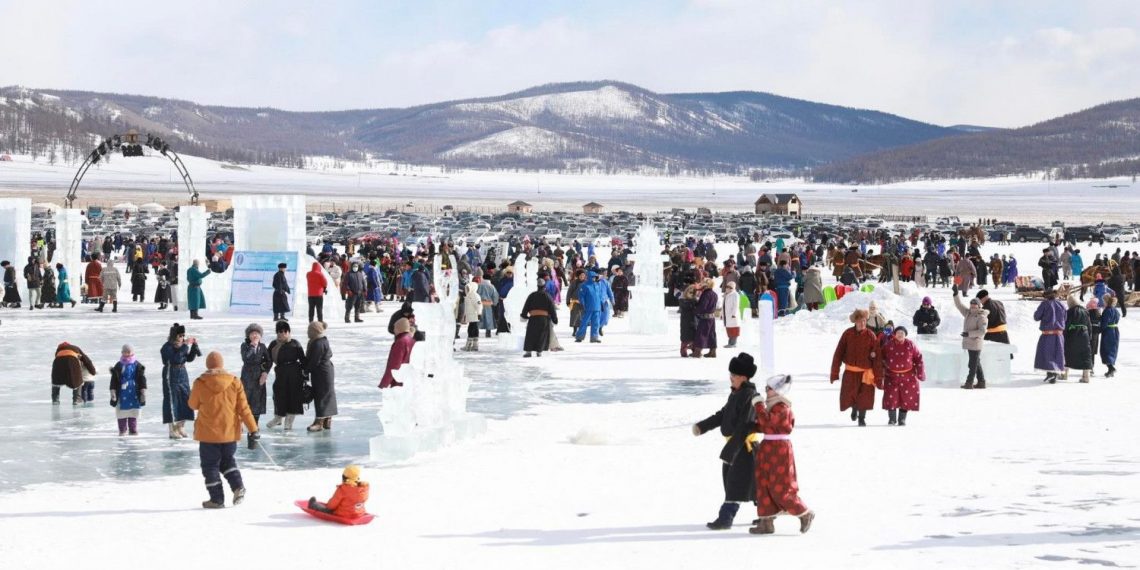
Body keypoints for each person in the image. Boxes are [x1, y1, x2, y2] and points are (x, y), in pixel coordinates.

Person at [692, 353, 758, 530]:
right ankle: (767, 514)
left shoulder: (751, 396)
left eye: (734, 376)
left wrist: (732, 450)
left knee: (736, 484)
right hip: (734, 446)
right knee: (751, 486)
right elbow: (723, 415)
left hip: (744, 448)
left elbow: (745, 426)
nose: (731, 378)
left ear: (744, 377)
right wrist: (702, 426)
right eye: (731, 375)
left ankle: (726, 518)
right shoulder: (736, 394)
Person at [188, 351, 259, 509]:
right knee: (227, 462)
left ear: (208, 365)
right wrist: (253, 429)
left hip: (208, 435)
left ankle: (217, 499)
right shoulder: (234, 381)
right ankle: (238, 486)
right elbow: (244, 409)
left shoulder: (200, 382)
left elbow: (192, 405)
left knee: (210, 466)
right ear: (222, 364)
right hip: (229, 433)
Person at [749, 373, 814, 535]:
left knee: (780, 487)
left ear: (777, 391)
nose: (766, 392)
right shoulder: (771, 405)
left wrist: (758, 406)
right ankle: (766, 522)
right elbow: (763, 426)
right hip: (768, 447)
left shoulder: (782, 407)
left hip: (779, 449)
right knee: (763, 483)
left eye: (768, 389)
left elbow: (768, 423)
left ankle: (804, 513)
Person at [829, 309, 880, 426]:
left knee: (865, 396)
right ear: (855, 322)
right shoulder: (847, 334)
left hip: (866, 372)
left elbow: (877, 357)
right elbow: (838, 353)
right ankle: (854, 409)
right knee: (850, 394)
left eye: (864, 321)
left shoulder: (871, 335)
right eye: (859, 321)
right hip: (850, 372)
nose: (862, 323)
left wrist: (878, 377)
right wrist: (834, 372)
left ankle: (862, 418)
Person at [161, 323, 201, 439]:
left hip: (182, 375)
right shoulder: (167, 347)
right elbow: (176, 359)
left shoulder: (181, 345)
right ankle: (172, 429)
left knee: (185, 399)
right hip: (171, 375)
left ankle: (180, 426)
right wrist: (185, 345)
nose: (182, 338)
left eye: (183, 336)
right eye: (180, 336)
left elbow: (187, 359)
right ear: (174, 336)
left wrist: (193, 348)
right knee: (172, 401)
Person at [266, 320, 306, 430]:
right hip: (281, 372)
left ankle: (289, 421)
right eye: (279, 332)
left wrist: (306, 374)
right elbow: (268, 360)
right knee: (279, 396)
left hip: (294, 373)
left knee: (293, 397)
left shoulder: (295, 343)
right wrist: (264, 372)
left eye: (284, 331)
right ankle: (278, 417)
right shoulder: (274, 344)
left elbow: (303, 359)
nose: (282, 334)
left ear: (288, 332)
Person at [880, 326, 924, 425]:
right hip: (892, 376)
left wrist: (920, 372)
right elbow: (880, 357)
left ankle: (902, 419)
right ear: (894, 334)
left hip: (908, 376)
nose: (900, 335)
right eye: (898, 333)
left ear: (905, 335)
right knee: (891, 397)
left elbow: (918, 358)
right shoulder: (888, 345)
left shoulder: (910, 344)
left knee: (906, 397)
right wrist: (881, 371)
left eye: (902, 333)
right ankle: (892, 419)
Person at [304, 321, 337, 432]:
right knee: (327, 393)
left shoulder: (318, 343)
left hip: (321, 372)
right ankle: (327, 420)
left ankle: (319, 422)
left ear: (315, 331)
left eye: (309, 330)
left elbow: (314, 361)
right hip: (324, 371)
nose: (307, 332)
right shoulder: (321, 340)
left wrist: (305, 371)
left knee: (321, 395)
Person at [109, 344, 147, 436]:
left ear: (132, 352)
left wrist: (143, 391)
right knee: (121, 412)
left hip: (134, 391)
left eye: (128, 352)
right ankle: (122, 429)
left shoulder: (137, 365)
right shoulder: (119, 365)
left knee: (133, 412)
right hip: (122, 392)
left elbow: (142, 378)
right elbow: (114, 380)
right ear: (122, 352)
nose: (126, 354)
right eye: (124, 352)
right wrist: (113, 391)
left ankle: (133, 429)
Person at [1034, 287, 1067, 384]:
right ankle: (1054, 374)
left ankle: (1051, 374)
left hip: (1047, 334)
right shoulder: (1061, 304)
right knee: (1057, 353)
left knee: (1047, 353)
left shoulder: (1044, 304)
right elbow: (1065, 318)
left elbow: (1036, 317)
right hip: (1059, 334)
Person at [239, 323, 271, 426]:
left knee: (257, 400)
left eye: (257, 333)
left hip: (258, 376)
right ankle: (241, 422)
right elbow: (245, 358)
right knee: (245, 398)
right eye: (252, 333)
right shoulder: (245, 346)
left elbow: (268, 361)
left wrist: (265, 372)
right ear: (248, 335)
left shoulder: (262, 346)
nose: (255, 335)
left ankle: (255, 424)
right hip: (247, 375)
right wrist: (252, 347)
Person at [520, 278, 559, 358]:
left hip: (533, 318)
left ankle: (528, 351)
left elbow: (526, 306)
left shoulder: (532, 295)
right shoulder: (547, 296)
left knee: (530, 335)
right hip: (543, 319)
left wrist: (524, 315)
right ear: (544, 286)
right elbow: (552, 309)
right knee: (541, 335)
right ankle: (539, 351)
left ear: (537, 286)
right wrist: (555, 319)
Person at [957, 296, 989, 389]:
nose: (973, 308)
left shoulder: (982, 316)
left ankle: (969, 383)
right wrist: (955, 294)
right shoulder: (968, 313)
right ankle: (982, 382)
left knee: (972, 364)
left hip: (976, 344)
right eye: (971, 306)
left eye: (975, 306)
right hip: (969, 343)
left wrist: (969, 334)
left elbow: (982, 331)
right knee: (976, 363)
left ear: (979, 306)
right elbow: (959, 306)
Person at [1063, 294, 1093, 383]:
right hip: (1084, 334)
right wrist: (1089, 335)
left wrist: (1064, 334)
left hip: (1072, 335)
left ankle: (1065, 374)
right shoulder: (1085, 311)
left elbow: (1066, 324)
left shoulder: (1069, 312)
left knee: (1068, 353)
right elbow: (1089, 325)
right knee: (1085, 355)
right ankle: (1086, 376)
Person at [380, 317, 415, 388]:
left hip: (399, 381)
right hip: (409, 379)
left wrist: (384, 384)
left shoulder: (401, 342)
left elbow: (394, 365)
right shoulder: (411, 340)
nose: (394, 330)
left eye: (395, 328)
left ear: (400, 329)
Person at [575, 270, 603, 343]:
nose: (594, 278)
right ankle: (579, 337)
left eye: (595, 277)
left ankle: (594, 337)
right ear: (589, 277)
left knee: (596, 323)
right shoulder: (584, 285)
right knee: (584, 322)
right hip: (588, 307)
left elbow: (599, 295)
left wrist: (601, 304)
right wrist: (583, 304)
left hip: (597, 307)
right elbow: (581, 296)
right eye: (593, 277)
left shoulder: (597, 285)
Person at [694, 278, 719, 357]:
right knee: (711, 334)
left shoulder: (706, 294)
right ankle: (712, 352)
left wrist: (695, 310)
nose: (702, 284)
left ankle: (697, 352)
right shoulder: (714, 294)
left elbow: (703, 306)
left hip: (705, 317)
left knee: (701, 334)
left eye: (703, 283)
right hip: (712, 318)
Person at [1100, 294, 1121, 377]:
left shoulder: (1107, 311)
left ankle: (1111, 368)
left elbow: (1104, 323)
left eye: (1103, 301)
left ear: (1106, 301)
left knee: (1106, 349)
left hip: (1108, 332)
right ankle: (1111, 367)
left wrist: (1100, 329)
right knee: (1113, 349)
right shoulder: (1116, 310)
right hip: (1115, 331)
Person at [721, 281, 743, 348]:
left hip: (733, 316)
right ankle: (730, 342)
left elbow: (736, 305)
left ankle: (733, 343)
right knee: (729, 329)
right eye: (727, 287)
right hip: (727, 315)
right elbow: (723, 306)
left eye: (730, 287)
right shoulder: (726, 295)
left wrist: (734, 314)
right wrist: (722, 314)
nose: (728, 288)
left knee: (734, 329)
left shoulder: (735, 295)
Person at [679, 285, 699, 357]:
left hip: (694, 321)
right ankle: (683, 352)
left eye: (692, 292)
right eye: (689, 292)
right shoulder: (683, 300)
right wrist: (693, 301)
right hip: (686, 322)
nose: (691, 294)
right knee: (685, 339)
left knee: (694, 338)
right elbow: (687, 307)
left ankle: (694, 350)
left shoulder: (695, 300)